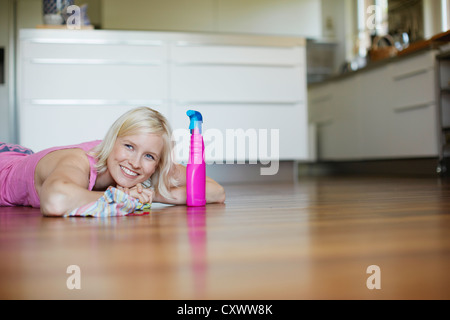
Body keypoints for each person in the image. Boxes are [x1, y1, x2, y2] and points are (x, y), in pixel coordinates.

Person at [0, 107, 225, 217]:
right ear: (111, 140)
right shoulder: (78, 160)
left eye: (149, 156)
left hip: (24, 156)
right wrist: (126, 199)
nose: (136, 163)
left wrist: (152, 194)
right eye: (129, 146)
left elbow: (216, 192)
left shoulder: (147, 164)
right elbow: (56, 201)